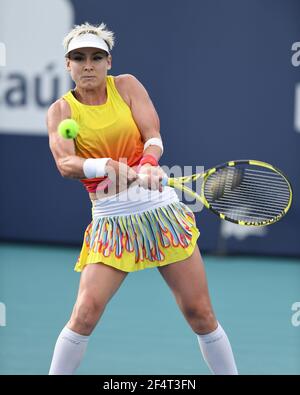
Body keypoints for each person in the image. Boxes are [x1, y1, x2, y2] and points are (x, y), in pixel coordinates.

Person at [47, 22, 238, 375]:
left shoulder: (127, 86)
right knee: (85, 313)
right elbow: (66, 163)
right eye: (79, 58)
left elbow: (153, 136)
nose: (88, 65)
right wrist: (105, 164)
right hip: (111, 221)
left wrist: (149, 163)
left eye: (95, 57)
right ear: (68, 64)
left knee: (201, 314)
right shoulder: (61, 111)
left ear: (108, 62)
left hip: (161, 213)